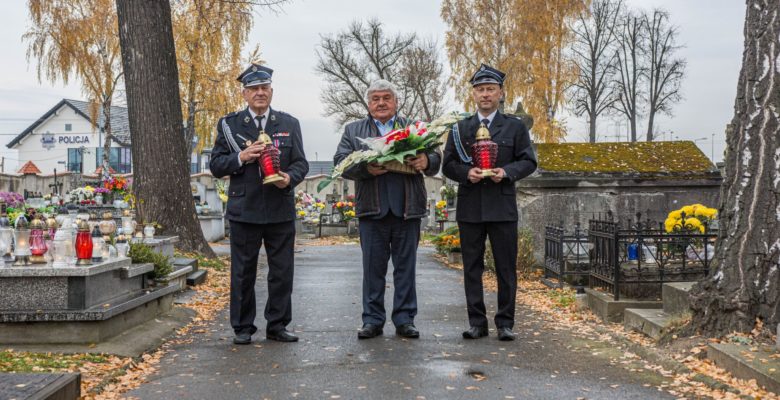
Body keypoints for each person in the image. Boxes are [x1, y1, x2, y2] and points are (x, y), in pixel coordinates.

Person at [209, 64, 309, 344]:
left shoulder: (289, 123)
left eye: (264, 88)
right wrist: (241, 157)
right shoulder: (229, 125)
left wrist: (289, 178)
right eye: (254, 89)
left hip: (280, 208)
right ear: (244, 94)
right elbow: (216, 165)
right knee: (243, 272)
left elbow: (301, 163)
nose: (260, 93)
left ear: (271, 92)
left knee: (282, 272)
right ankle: (242, 327)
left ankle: (277, 325)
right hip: (245, 210)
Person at [334, 80, 441, 339]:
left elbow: (436, 158)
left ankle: (405, 320)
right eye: (375, 99)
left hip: (408, 209)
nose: (381, 103)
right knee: (373, 270)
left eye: (386, 98)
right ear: (368, 103)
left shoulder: (414, 128)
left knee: (406, 269)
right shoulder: (353, 130)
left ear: (396, 101)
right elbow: (340, 163)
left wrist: (426, 160)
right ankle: (372, 320)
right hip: (372, 210)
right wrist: (365, 168)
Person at [442, 64, 537, 341]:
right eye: (480, 89)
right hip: (470, 207)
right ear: (473, 94)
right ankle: (477, 323)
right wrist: (466, 173)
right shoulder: (460, 129)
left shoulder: (515, 127)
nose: (485, 94)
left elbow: (528, 161)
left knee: (505, 268)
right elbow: (448, 164)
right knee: (472, 268)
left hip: (502, 207)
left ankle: (505, 323)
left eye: (490, 89)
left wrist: (505, 172)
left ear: (500, 93)